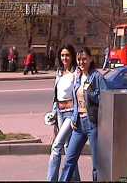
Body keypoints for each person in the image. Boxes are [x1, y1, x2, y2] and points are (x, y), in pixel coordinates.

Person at [59, 46, 108, 181]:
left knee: (96, 163)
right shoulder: (78, 76)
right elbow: (76, 100)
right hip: (79, 124)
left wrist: (91, 93)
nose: (81, 62)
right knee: (69, 159)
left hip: (93, 123)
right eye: (79, 59)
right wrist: (74, 118)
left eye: (84, 59)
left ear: (91, 60)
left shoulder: (97, 77)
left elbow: (106, 98)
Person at [47, 44, 80, 181]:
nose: (64, 58)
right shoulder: (60, 73)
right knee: (67, 147)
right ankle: (75, 179)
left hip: (70, 113)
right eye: (62, 55)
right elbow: (56, 96)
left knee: (56, 147)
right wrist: (54, 115)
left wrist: (75, 117)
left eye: (67, 55)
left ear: (72, 56)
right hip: (60, 113)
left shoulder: (76, 73)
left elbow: (79, 95)